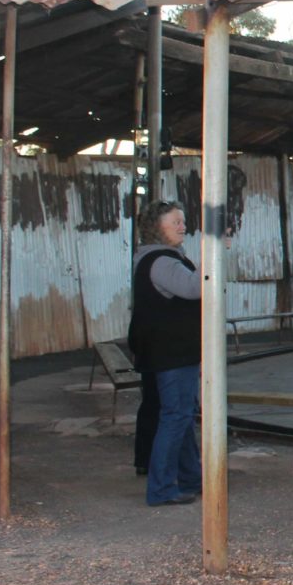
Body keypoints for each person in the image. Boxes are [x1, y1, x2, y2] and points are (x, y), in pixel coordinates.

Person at [126, 201, 203, 507]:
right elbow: (196, 288)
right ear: (159, 228)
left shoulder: (156, 259)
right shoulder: (162, 261)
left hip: (167, 350)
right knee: (176, 417)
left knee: (180, 415)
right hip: (172, 351)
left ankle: (190, 479)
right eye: (176, 222)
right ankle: (160, 488)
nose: (182, 226)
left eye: (183, 221)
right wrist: (216, 257)